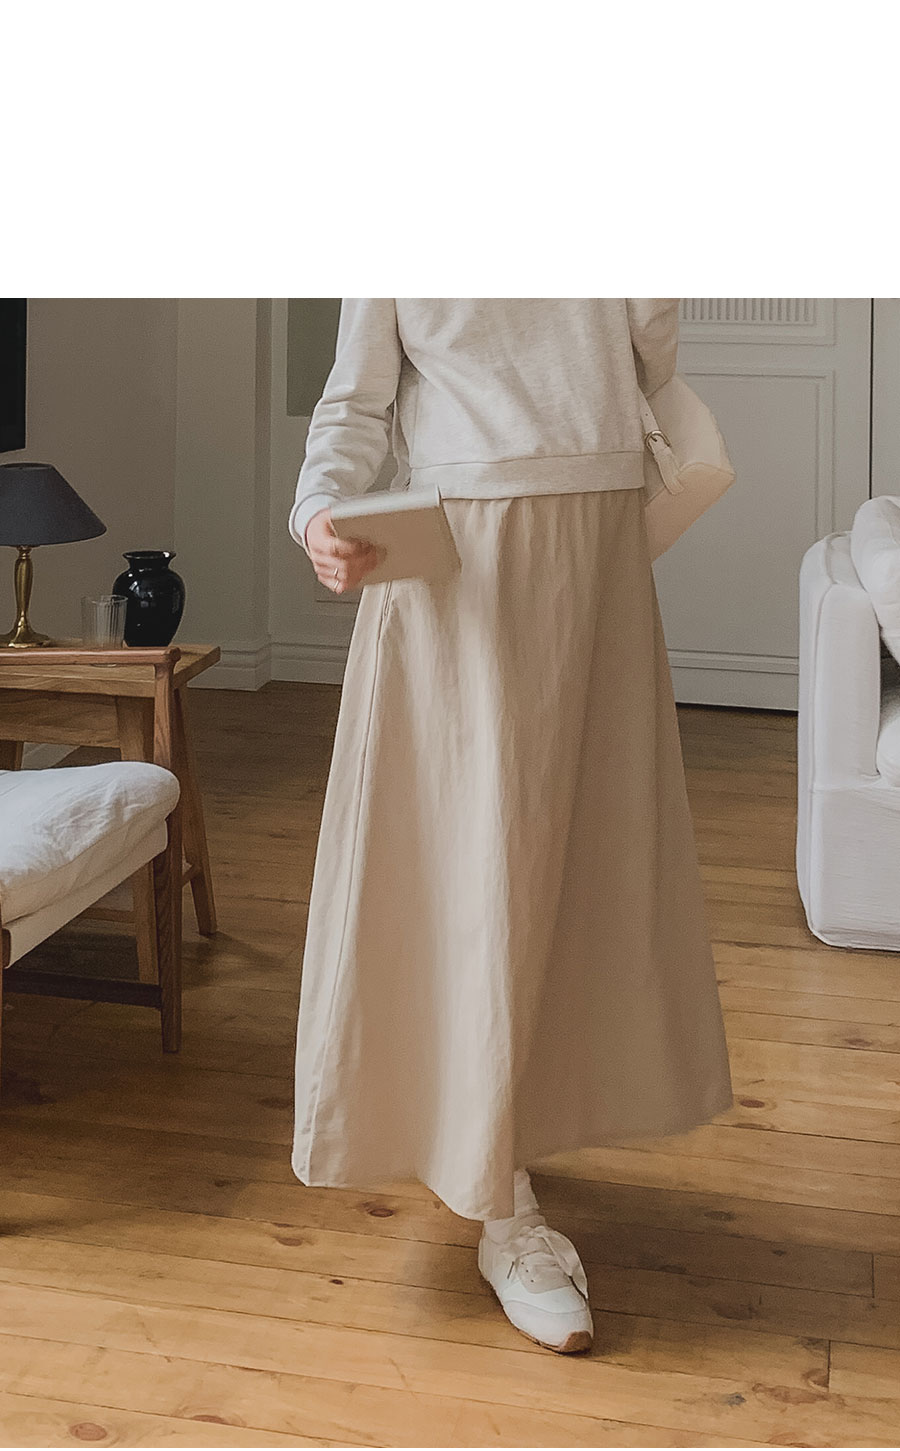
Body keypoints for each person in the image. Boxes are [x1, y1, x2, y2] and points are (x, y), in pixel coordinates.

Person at [287, 299, 734, 1355]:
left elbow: (647, 352)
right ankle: (504, 1208)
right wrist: (318, 514)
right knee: (479, 870)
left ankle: (512, 1140)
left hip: (597, 549)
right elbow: (354, 401)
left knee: (585, 861)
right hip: (460, 570)